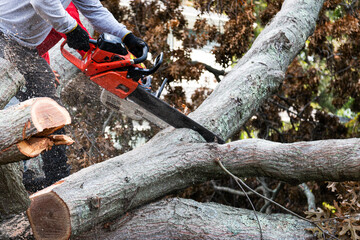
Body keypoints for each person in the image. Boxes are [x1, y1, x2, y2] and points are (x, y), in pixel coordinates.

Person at [0, 0, 147, 191]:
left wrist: (126, 36)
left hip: (24, 47)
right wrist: (71, 29)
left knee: (50, 107)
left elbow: (94, 9)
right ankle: (15, 178)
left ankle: (57, 179)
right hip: (3, 34)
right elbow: (42, 1)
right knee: (8, 102)